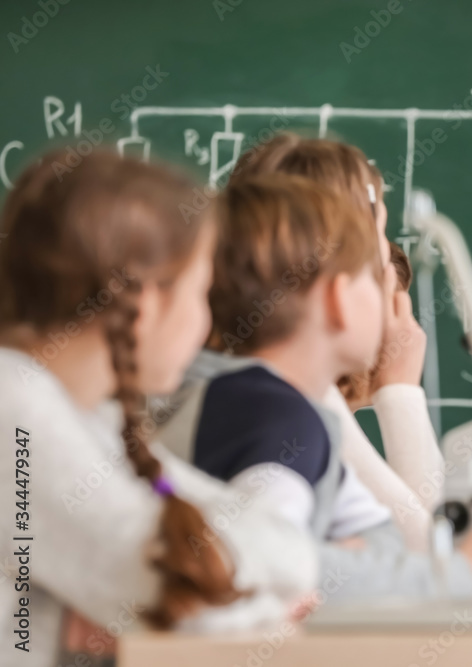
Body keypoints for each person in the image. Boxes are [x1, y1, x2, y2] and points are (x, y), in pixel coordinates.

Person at [0, 151, 318, 667]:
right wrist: (264, 608)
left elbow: (292, 555)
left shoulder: (92, 421)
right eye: (201, 293)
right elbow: (180, 598)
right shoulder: (14, 405)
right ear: (146, 303)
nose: (207, 322)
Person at [157, 174, 472, 602]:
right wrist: (465, 574)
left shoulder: (290, 411)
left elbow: (392, 543)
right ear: (339, 298)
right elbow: (265, 572)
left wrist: (342, 564)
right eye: (378, 285)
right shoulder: (275, 416)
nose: (397, 313)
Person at [233, 135, 443, 552]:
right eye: (379, 236)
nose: (389, 264)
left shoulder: (276, 386)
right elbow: (431, 552)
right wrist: (401, 391)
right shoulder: (293, 406)